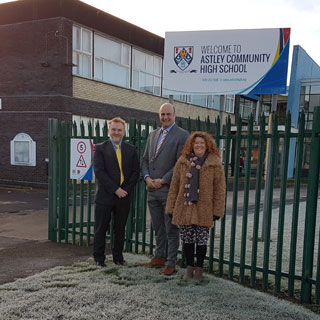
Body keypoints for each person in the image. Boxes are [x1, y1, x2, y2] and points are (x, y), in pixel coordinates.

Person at [165, 131, 226, 281]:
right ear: (191, 145)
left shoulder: (214, 163)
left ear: (207, 145)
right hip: (185, 207)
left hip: (204, 208)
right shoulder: (182, 161)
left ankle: (199, 268)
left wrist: (217, 210)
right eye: (196, 143)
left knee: (201, 239)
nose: (199, 145)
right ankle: (189, 268)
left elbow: (220, 188)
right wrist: (171, 208)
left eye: (202, 143)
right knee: (187, 239)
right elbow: (174, 186)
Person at [141, 103, 189, 276]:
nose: (165, 117)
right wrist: (147, 178)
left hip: (168, 189)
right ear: (159, 115)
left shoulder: (182, 136)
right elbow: (145, 159)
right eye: (162, 114)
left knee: (171, 228)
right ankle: (159, 257)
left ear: (174, 115)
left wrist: (163, 180)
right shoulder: (153, 134)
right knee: (157, 227)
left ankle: (171, 263)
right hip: (151, 189)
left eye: (168, 114)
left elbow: (180, 163)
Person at [93, 117, 140, 267]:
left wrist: (124, 190)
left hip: (124, 197)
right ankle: (99, 258)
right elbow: (99, 172)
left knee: (120, 229)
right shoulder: (100, 148)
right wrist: (116, 189)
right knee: (101, 228)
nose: (116, 132)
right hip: (105, 196)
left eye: (119, 130)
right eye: (113, 129)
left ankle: (118, 258)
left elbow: (135, 172)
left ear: (124, 131)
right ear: (108, 130)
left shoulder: (131, 150)